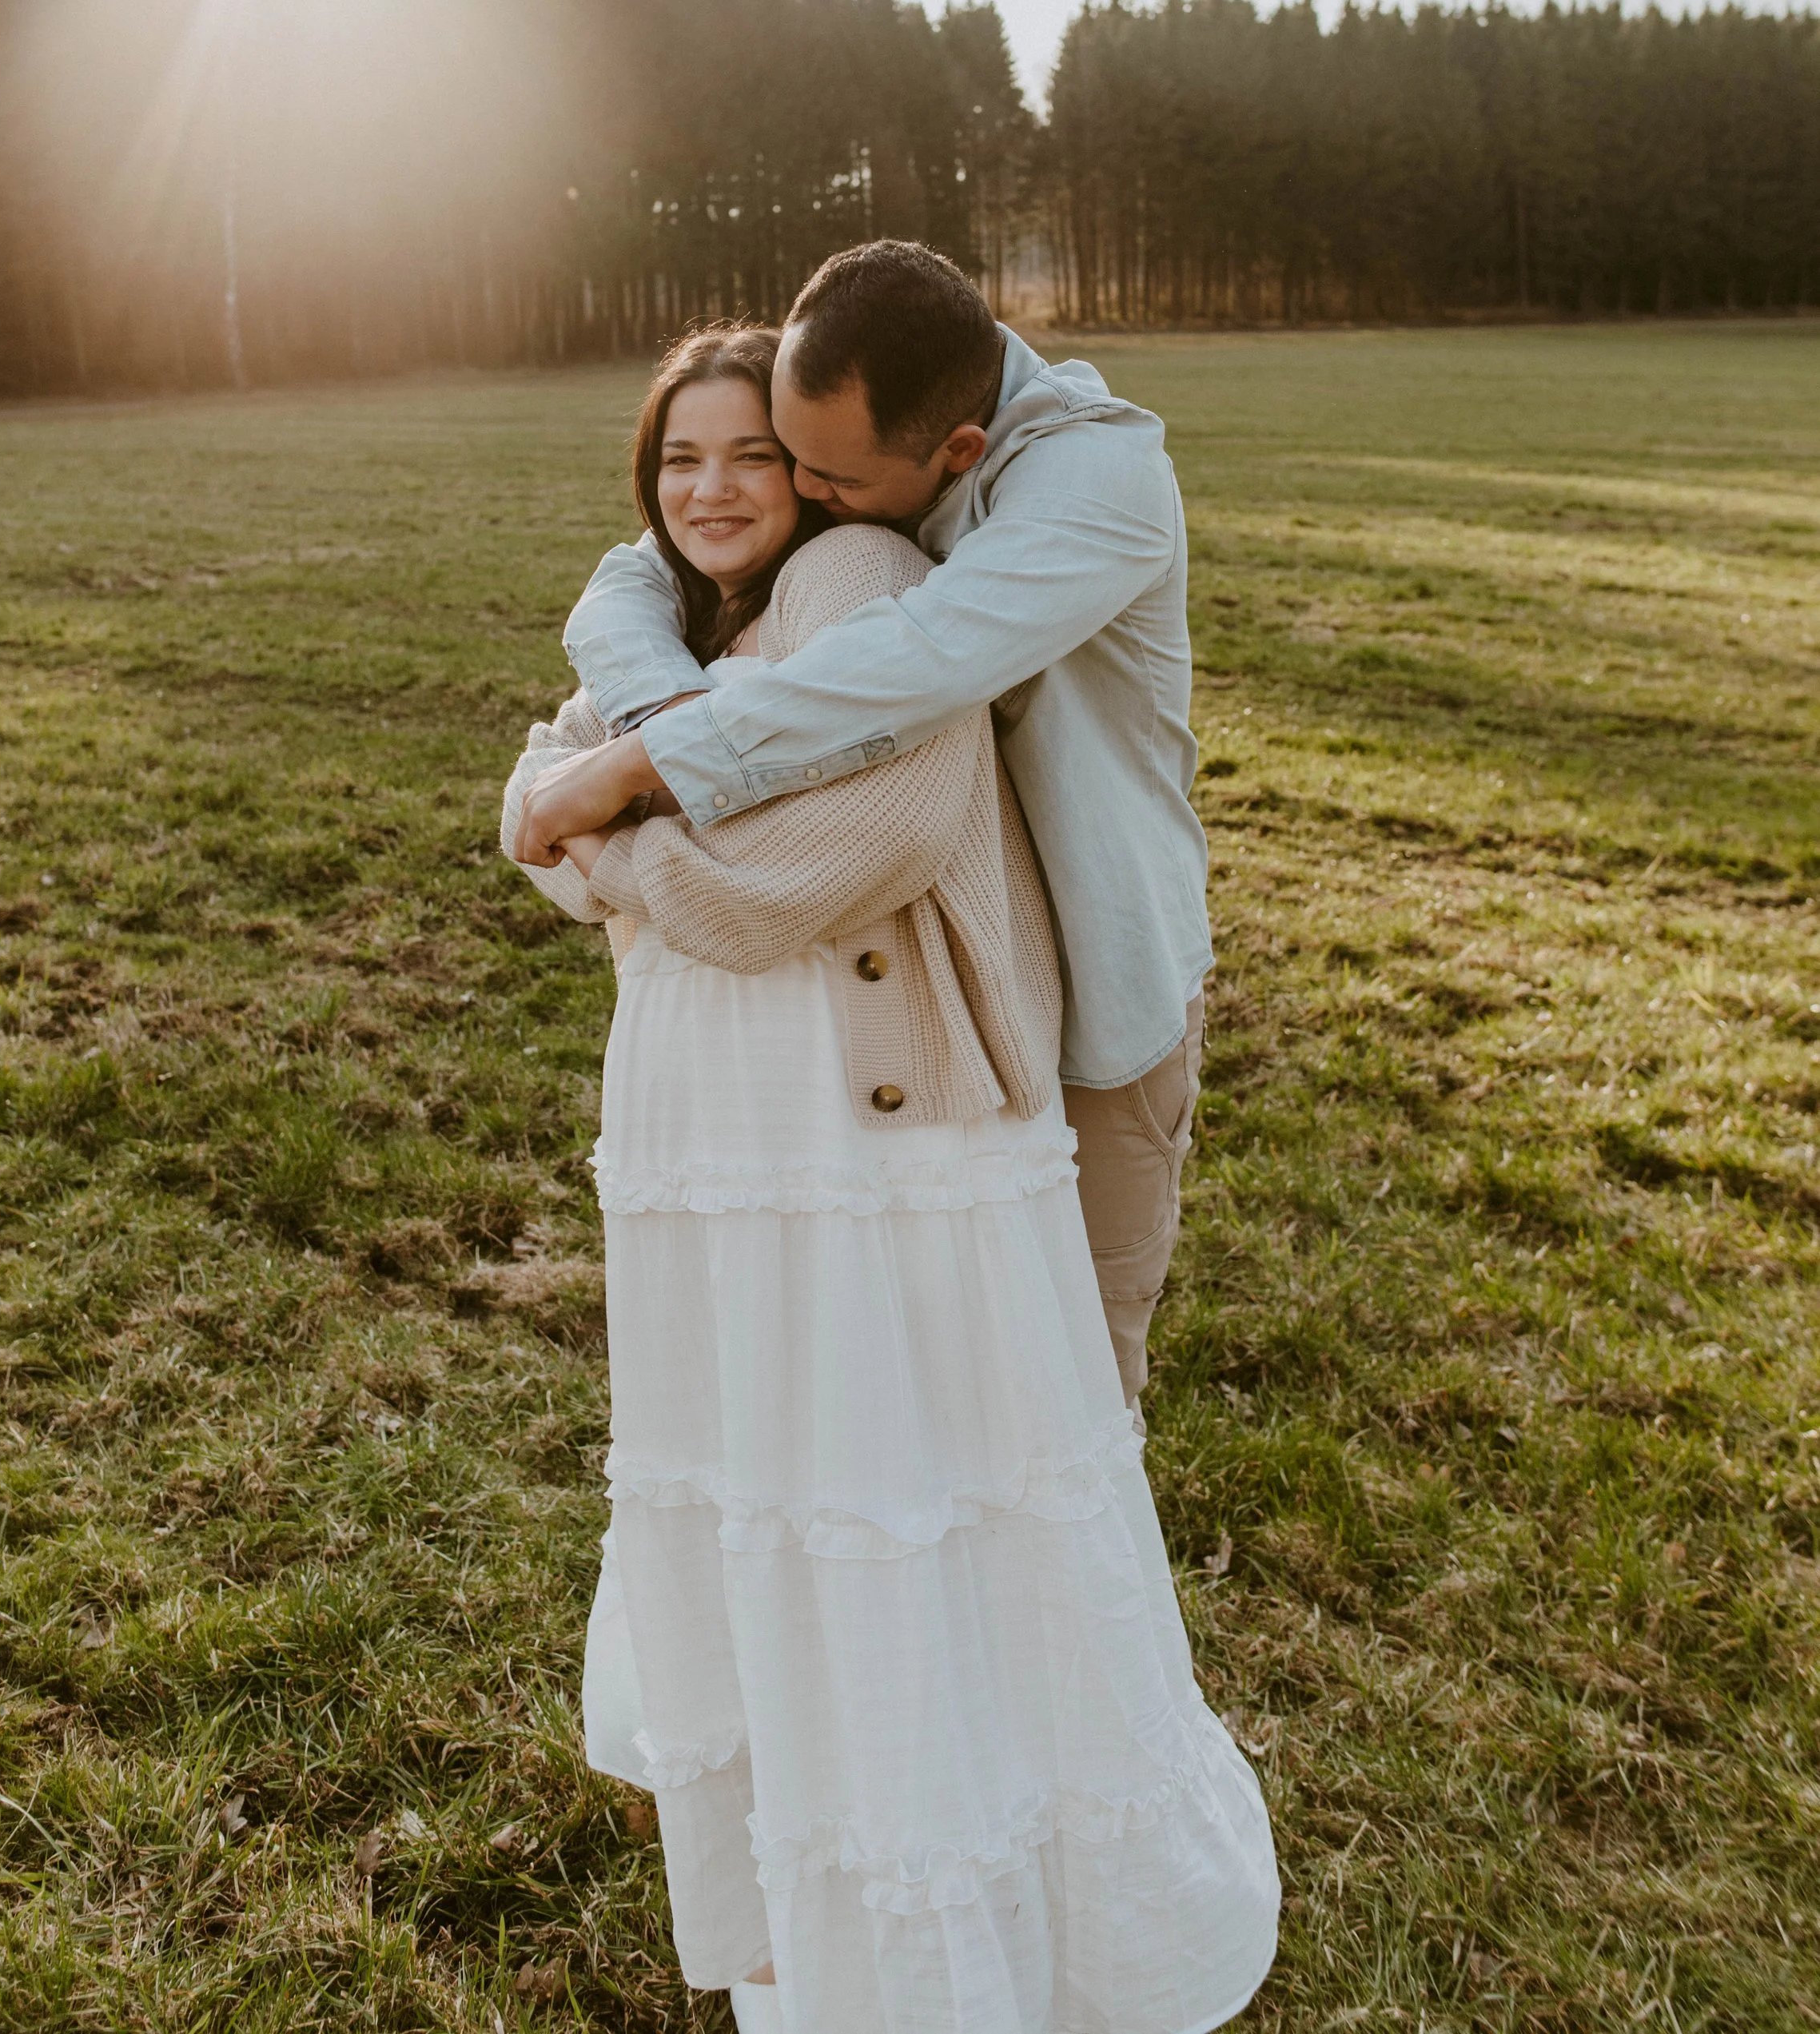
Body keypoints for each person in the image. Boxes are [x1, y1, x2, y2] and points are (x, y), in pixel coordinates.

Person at [503, 323, 1277, 2032]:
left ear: (827, 469)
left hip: (872, 1140)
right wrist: (582, 810)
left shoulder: (865, 571)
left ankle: (969, 1924)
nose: (716, 488)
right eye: (678, 459)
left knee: (905, 1507)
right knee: (778, 1516)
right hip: (721, 1155)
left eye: (756, 458)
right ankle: (812, 1915)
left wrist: (615, 840)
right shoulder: (675, 607)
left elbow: (824, 865)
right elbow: (523, 790)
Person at [515, 240, 1212, 1408]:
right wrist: (657, 701)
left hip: (1101, 980)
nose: (798, 494)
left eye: (820, 478)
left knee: (1075, 1374)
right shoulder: (860, 434)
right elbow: (643, 565)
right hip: (941, 985)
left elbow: (905, 670)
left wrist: (633, 772)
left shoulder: (1097, 491)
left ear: (956, 457)